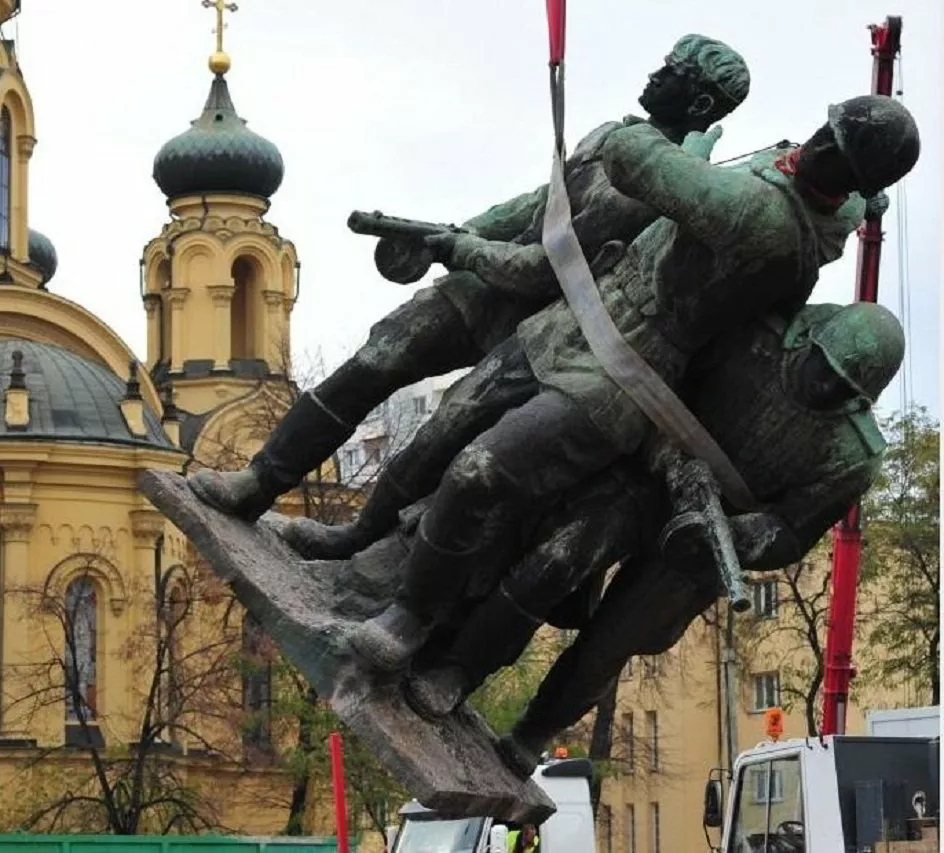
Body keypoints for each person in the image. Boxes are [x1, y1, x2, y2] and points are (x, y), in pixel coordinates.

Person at [345, 95, 920, 674]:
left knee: (479, 471)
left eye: (837, 156)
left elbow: (628, 156)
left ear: (847, 183)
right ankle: (356, 543)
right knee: (445, 427)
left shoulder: (762, 215)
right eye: (825, 132)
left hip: (625, 369)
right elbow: (848, 205)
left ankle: (409, 617)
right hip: (573, 318)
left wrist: (687, 150)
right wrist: (864, 197)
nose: (816, 147)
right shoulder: (829, 203)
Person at [188, 35, 751, 530]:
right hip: (484, 285)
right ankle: (259, 483)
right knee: (380, 357)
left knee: (446, 434)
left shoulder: (654, 187)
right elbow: (538, 203)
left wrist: (459, 247)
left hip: (542, 328)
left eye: (671, 71)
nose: (654, 74)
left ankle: (361, 546)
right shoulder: (611, 135)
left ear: (699, 102)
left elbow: (543, 266)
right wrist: (451, 234)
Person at [396, 299, 905, 734]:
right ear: (808, 339)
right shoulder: (755, 335)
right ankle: (460, 669)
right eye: (822, 368)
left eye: (841, 389)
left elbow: (793, 531)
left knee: (612, 643)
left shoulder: (855, 455)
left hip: (705, 544)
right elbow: (662, 379)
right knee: (554, 560)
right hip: (645, 479)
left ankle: (533, 733)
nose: (823, 388)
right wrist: (671, 459)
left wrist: (735, 535)